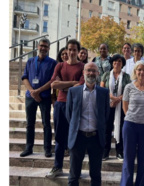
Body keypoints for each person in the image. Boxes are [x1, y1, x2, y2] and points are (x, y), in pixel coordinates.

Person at [66, 62, 110, 186]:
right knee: (74, 174)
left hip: (96, 138)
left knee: (96, 175)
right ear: (83, 72)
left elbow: (105, 115)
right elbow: (69, 115)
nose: (91, 73)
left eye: (94, 71)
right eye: (88, 70)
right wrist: (76, 128)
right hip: (78, 137)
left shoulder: (104, 92)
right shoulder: (73, 91)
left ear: (98, 73)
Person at [46, 39, 85, 178]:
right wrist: (72, 83)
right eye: (70, 49)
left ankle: (75, 169)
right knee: (59, 137)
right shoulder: (60, 66)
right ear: (66, 50)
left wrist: (62, 84)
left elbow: (80, 86)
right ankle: (57, 167)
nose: (72, 52)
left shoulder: (82, 67)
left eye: (74, 49)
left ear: (78, 51)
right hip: (60, 104)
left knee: (75, 138)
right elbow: (53, 85)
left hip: (75, 105)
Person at [120, 61, 144, 186]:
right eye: (139, 70)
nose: (141, 72)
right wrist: (132, 117)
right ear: (135, 71)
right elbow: (125, 106)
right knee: (128, 158)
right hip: (130, 125)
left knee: (143, 159)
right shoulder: (129, 87)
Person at [20, 38, 57, 158]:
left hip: (44, 97)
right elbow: (24, 77)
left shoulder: (52, 63)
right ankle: (28, 148)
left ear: (49, 48)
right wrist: (32, 91)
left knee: (46, 123)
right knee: (29, 123)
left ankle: (47, 149)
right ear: (37, 46)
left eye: (46, 46)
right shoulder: (30, 61)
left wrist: (38, 91)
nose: (43, 48)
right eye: (42, 46)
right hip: (30, 97)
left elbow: (52, 80)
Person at [100, 54, 131, 161]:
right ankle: (105, 151)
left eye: (119, 62)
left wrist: (117, 100)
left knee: (121, 128)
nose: (116, 63)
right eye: (114, 62)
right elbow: (102, 89)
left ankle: (119, 152)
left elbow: (128, 91)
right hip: (109, 105)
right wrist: (112, 98)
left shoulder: (126, 76)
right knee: (107, 129)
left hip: (121, 106)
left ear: (122, 64)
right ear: (112, 63)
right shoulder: (106, 75)